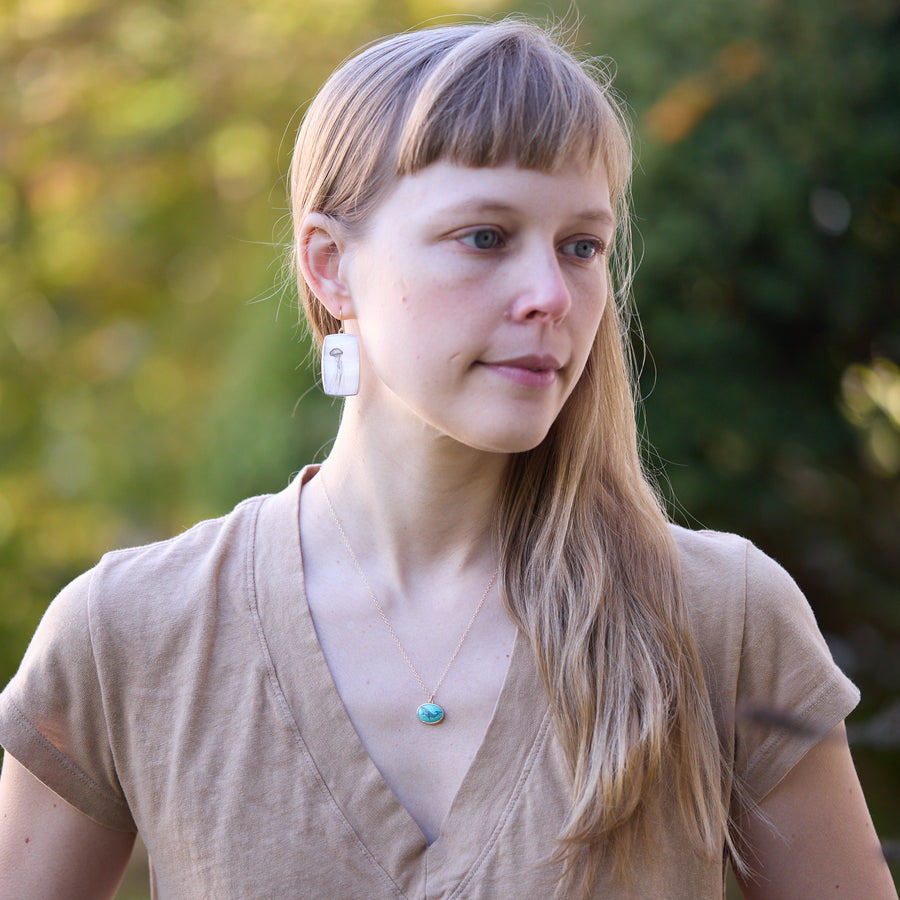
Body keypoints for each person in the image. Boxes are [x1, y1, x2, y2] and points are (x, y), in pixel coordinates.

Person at [0, 18, 895, 900]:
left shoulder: (721, 620)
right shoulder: (133, 634)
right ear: (329, 268)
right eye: (486, 237)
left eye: (582, 246)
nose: (551, 295)